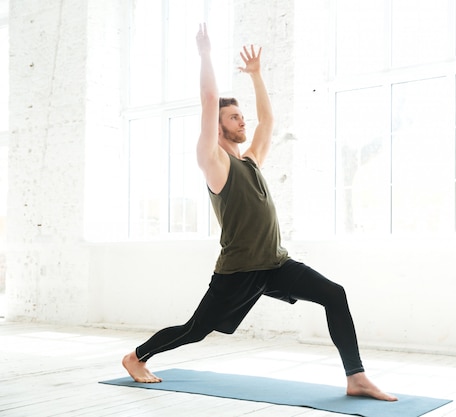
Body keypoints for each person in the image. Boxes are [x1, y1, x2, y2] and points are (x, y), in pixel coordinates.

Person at [122, 23, 397, 402]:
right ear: (217, 130)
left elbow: (268, 122)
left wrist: (256, 76)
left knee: (334, 294)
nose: (242, 121)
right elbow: (208, 99)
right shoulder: (214, 163)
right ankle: (136, 357)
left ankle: (356, 376)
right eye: (233, 117)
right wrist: (204, 54)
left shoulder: (251, 161)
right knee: (197, 330)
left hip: (274, 264)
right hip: (238, 270)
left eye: (239, 116)